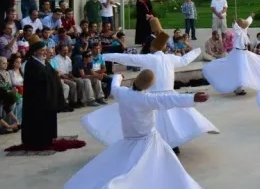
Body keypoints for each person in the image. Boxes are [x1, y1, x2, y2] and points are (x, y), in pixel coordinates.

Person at [57, 71, 212, 189]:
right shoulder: (146, 99)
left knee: (126, 167)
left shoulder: (122, 93)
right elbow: (168, 99)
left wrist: (118, 75)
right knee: (158, 169)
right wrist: (193, 98)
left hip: (129, 140)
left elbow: (115, 85)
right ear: (149, 85)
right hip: (148, 141)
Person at [82, 18, 219, 153]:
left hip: (151, 96)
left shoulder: (148, 58)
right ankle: (172, 144)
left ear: (152, 47)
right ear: (165, 47)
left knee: (154, 123)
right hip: (168, 94)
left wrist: (104, 56)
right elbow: (184, 60)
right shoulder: (170, 58)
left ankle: (161, 145)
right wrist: (197, 51)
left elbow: (125, 58)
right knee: (171, 122)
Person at [203, 15, 260, 96]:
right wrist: (234, 22)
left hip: (244, 53)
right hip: (238, 53)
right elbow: (236, 27)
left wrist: (250, 16)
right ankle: (238, 89)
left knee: (248, 67)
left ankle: (239, 88)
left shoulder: (244, 30)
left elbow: (248, 22)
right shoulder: (238, 32)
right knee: (239, 70)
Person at [21, 35, 60, 150]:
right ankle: (38, 141)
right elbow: (37, 81)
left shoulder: (44, 62)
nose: (44, 52)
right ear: (35, 51)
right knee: (38, 121)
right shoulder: (31, 64)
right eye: (42, 50)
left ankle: (48, 138)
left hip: (47, 96)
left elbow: (51, 75)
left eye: (44, 50)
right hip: (37, 99)